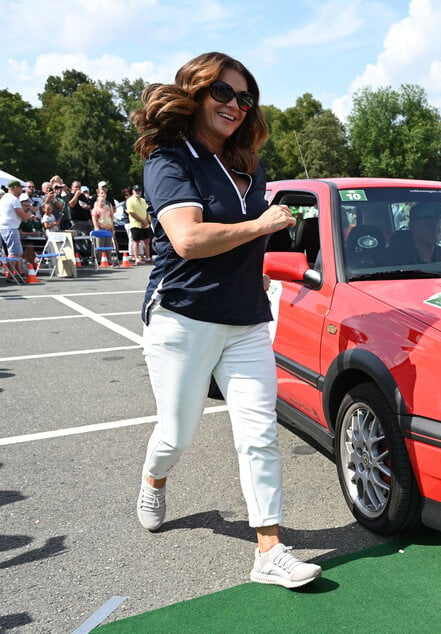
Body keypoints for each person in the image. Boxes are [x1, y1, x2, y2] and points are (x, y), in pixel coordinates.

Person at [130, 51, 321, 589]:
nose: (236, 105)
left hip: (246, 320)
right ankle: (154, 477)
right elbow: (188, 240)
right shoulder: (170, 159)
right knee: (177, 433)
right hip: (182, 317)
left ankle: (269, 549)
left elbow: (245, 241)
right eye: (223, 93)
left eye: (245, 97)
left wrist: (260, 263)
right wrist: (260, 225)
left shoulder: (247, 165)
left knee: (259, 434)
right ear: (194, 93)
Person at [0, 180, 34, 276]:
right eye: (20, 188)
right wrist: (30, 212)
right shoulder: (13, 199)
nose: (21, 190)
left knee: (17, 252)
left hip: (8, 227)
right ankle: (10, 275)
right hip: (10, 228)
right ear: (14, 188)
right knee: (14, 252)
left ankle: (17, 273)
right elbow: (23, 216)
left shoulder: (4, 198)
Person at [127, 184, 153, 264]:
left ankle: (148, 257)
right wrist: (142, 221)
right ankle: (137, 258)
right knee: (136, 241)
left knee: (146, 241)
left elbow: (146, 211)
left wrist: (146, 221)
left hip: (145, 224)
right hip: (136, 224)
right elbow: (131, 213)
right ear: (133, 191)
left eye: (139, 190)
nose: (138, 192)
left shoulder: (143, 200)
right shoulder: (130, 200)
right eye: (136, 190)